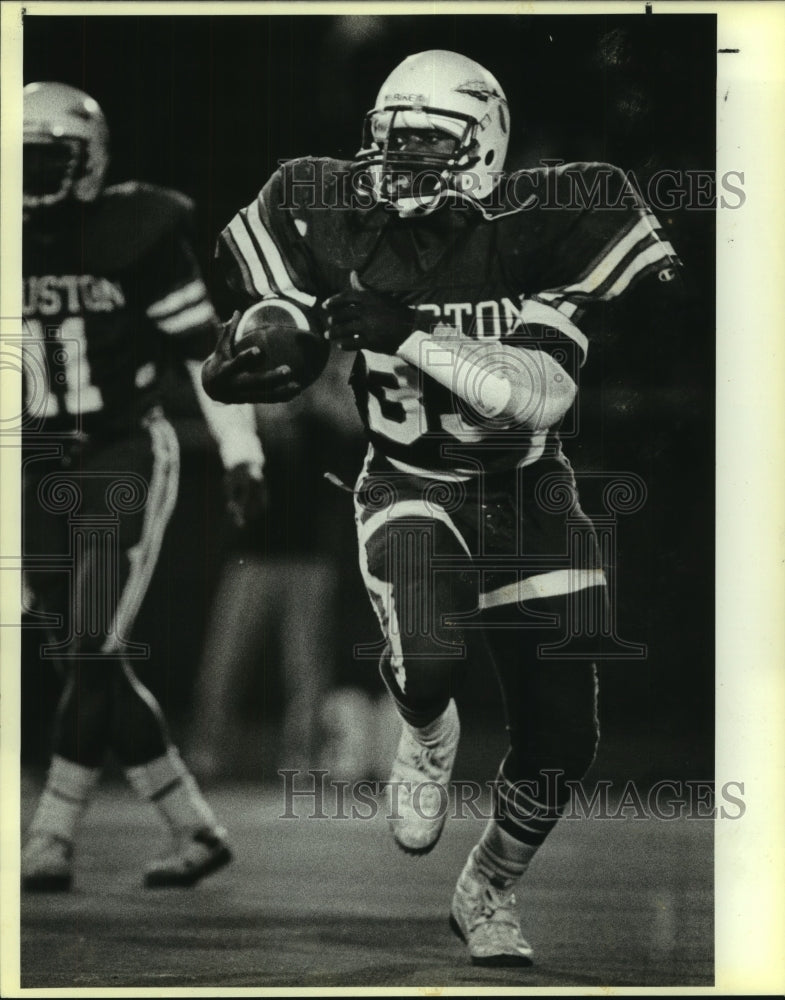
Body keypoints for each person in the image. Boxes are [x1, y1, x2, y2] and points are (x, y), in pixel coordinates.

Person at [202, 50, 685, 965]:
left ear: (484, 146)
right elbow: (266, 324)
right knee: (427, 663)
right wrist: (236, 372)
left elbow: (538, 395)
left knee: (562, 737)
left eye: (427, 142)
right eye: (390, 139)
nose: (401, 160)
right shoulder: (332, 210)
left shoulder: (544, 221)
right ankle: (426, 730)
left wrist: (412, 333)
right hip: (408, 480)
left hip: (529, 492)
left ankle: (488, 886)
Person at [20, 82, 265, 891]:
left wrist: (241, 453)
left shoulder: (137, 232)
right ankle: (194, 827)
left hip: (117, 452)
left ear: (89, 162)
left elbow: (204, 353)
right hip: (31, 461)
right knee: (82, 657)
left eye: (46, 158)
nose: (30, 174)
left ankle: (52, 835)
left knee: (91, 642)